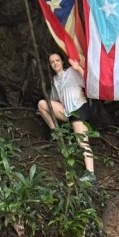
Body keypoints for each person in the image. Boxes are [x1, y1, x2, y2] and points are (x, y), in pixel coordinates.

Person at [37, 52, 96, 181]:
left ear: (62, 61)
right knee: (42, 104)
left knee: (82, 141)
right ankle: (55, 132)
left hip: (79, 109)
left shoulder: (71, 72)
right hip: (67, 111)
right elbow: (53, 100)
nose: (55, 63)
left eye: (57, 60)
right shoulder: (54, 80)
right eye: (52, 62)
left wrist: (78, 68)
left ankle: (90, 173)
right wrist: (45, 112)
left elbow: (88, 83)